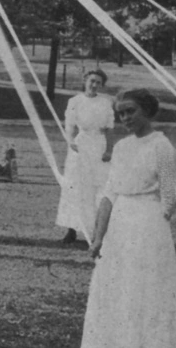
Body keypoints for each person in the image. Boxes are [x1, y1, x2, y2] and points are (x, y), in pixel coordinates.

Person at [81, 88, 176, 348]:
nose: (126, 118)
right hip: (119, 226)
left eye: (131, 111)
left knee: (146, 287)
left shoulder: (161, 146)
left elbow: (170, 195)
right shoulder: (120, 147)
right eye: (121, 114)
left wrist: (154, 223)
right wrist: (98, 238)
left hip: (148, 224)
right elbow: (109, 194)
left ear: (147, 111)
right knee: (117, 286)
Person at [56, 69, 114, 244]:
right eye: (92, 81)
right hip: (80, 145)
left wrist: (108, 150)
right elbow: (69, 125)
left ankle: (98, 230)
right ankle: (71, 229)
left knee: (98, 186)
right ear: (85, 81)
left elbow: (110, 127)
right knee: (76, 185)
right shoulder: (75, 101)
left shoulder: (105, 102)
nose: (94, 85)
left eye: (98, 82)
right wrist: (71, 141)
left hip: (99, 145)